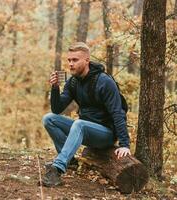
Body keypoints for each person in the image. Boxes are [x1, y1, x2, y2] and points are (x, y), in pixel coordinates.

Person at [42, 42, 131, 187]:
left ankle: (57, 169)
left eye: (75, 60)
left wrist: (124, 144)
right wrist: (55, 88)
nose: (71, 64)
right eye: (69, 60)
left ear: (87, 60)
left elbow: (117, 113)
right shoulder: (73, 82)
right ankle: (69, 161)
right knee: (49, 119)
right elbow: (57, 109)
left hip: (106, 134)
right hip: (85, 129)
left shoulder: (104, 81)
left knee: (79, 123)